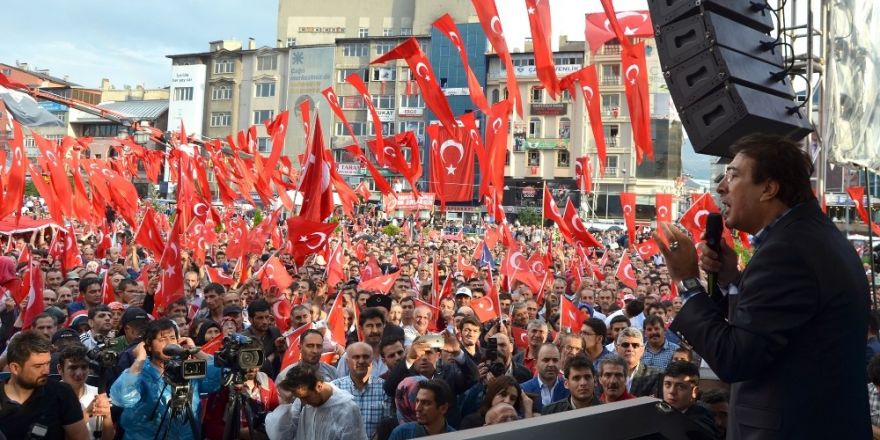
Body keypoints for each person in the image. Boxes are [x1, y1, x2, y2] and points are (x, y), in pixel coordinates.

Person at [657, 134, 871, 438]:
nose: (721, 187)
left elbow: (735, 358)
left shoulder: (787, 251)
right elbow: (775, 324)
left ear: (769, 188)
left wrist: (688, 281)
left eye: (733, 175)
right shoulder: (810, 236)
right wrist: (732, 279)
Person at [109, 318, 222, 440]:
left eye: (172, 338)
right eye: (162, 339)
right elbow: (121, 398)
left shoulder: (186, 368)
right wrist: (140, 358)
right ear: (149, 346)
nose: (169, 343)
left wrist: (195, 350)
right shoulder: (141, 372)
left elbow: (218, 377)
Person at [0, 330, 89, 440]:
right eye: (38, 366)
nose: (46, 371)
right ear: (15, 368)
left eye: (48, 363)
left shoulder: (62, 394)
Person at [265, 364, 367, 440]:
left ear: (319, 386)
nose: (304, 403)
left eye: (306, 397)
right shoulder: (302, 402)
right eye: (299, 398)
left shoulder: (347, 410)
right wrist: (286, 402)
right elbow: (281, 435)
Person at [330, 342, 392, 438]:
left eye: (365, 357)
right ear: (347, 362)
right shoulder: (335, 388)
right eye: (356, 357)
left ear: (371, 360)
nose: (361, 361)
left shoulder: (384, 388)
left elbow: (387, 423)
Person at [57, 345, 114, 439]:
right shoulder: (51, 397)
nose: (79, 373)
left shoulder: (97, 393)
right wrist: (87, 413)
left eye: (84, 367)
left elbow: (108, 438)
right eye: (73, 367)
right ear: (60, 369)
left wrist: (107, 417)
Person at [661, 361, 717, 438]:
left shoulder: (701, 424)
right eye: (667, 384)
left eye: (680, 386)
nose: (671, 391)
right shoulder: (656, 410)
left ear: (694, 392)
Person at [388, 379, 456, 439]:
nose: (417, 408)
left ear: (443, 408)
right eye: (417, 401)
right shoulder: (402, 434)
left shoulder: (456, 436)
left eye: (426, 403)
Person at [519, 343, 568, 413]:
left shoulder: (569, 388)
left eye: (555, 360)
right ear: (536, 363)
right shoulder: (523, 390)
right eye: (546, 360)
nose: (551, 364)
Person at [615, 327, 661, 397]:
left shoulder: (655, 376)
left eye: (635, 345)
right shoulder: (607, 374)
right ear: (617, 348)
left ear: (642, 350)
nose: (630, 349)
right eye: (625, 345)